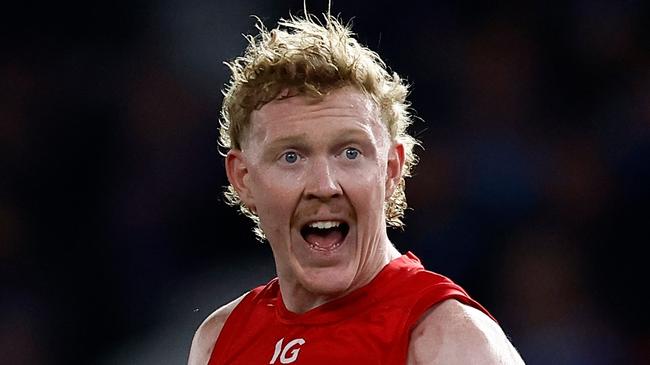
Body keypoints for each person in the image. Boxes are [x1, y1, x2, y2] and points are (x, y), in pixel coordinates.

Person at [188, 12, 525, 365]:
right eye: (291, 157)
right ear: (243, 178)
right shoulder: (219, 339)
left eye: (350, 152)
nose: (324, 186)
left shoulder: (449, 341)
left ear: (391, 169)